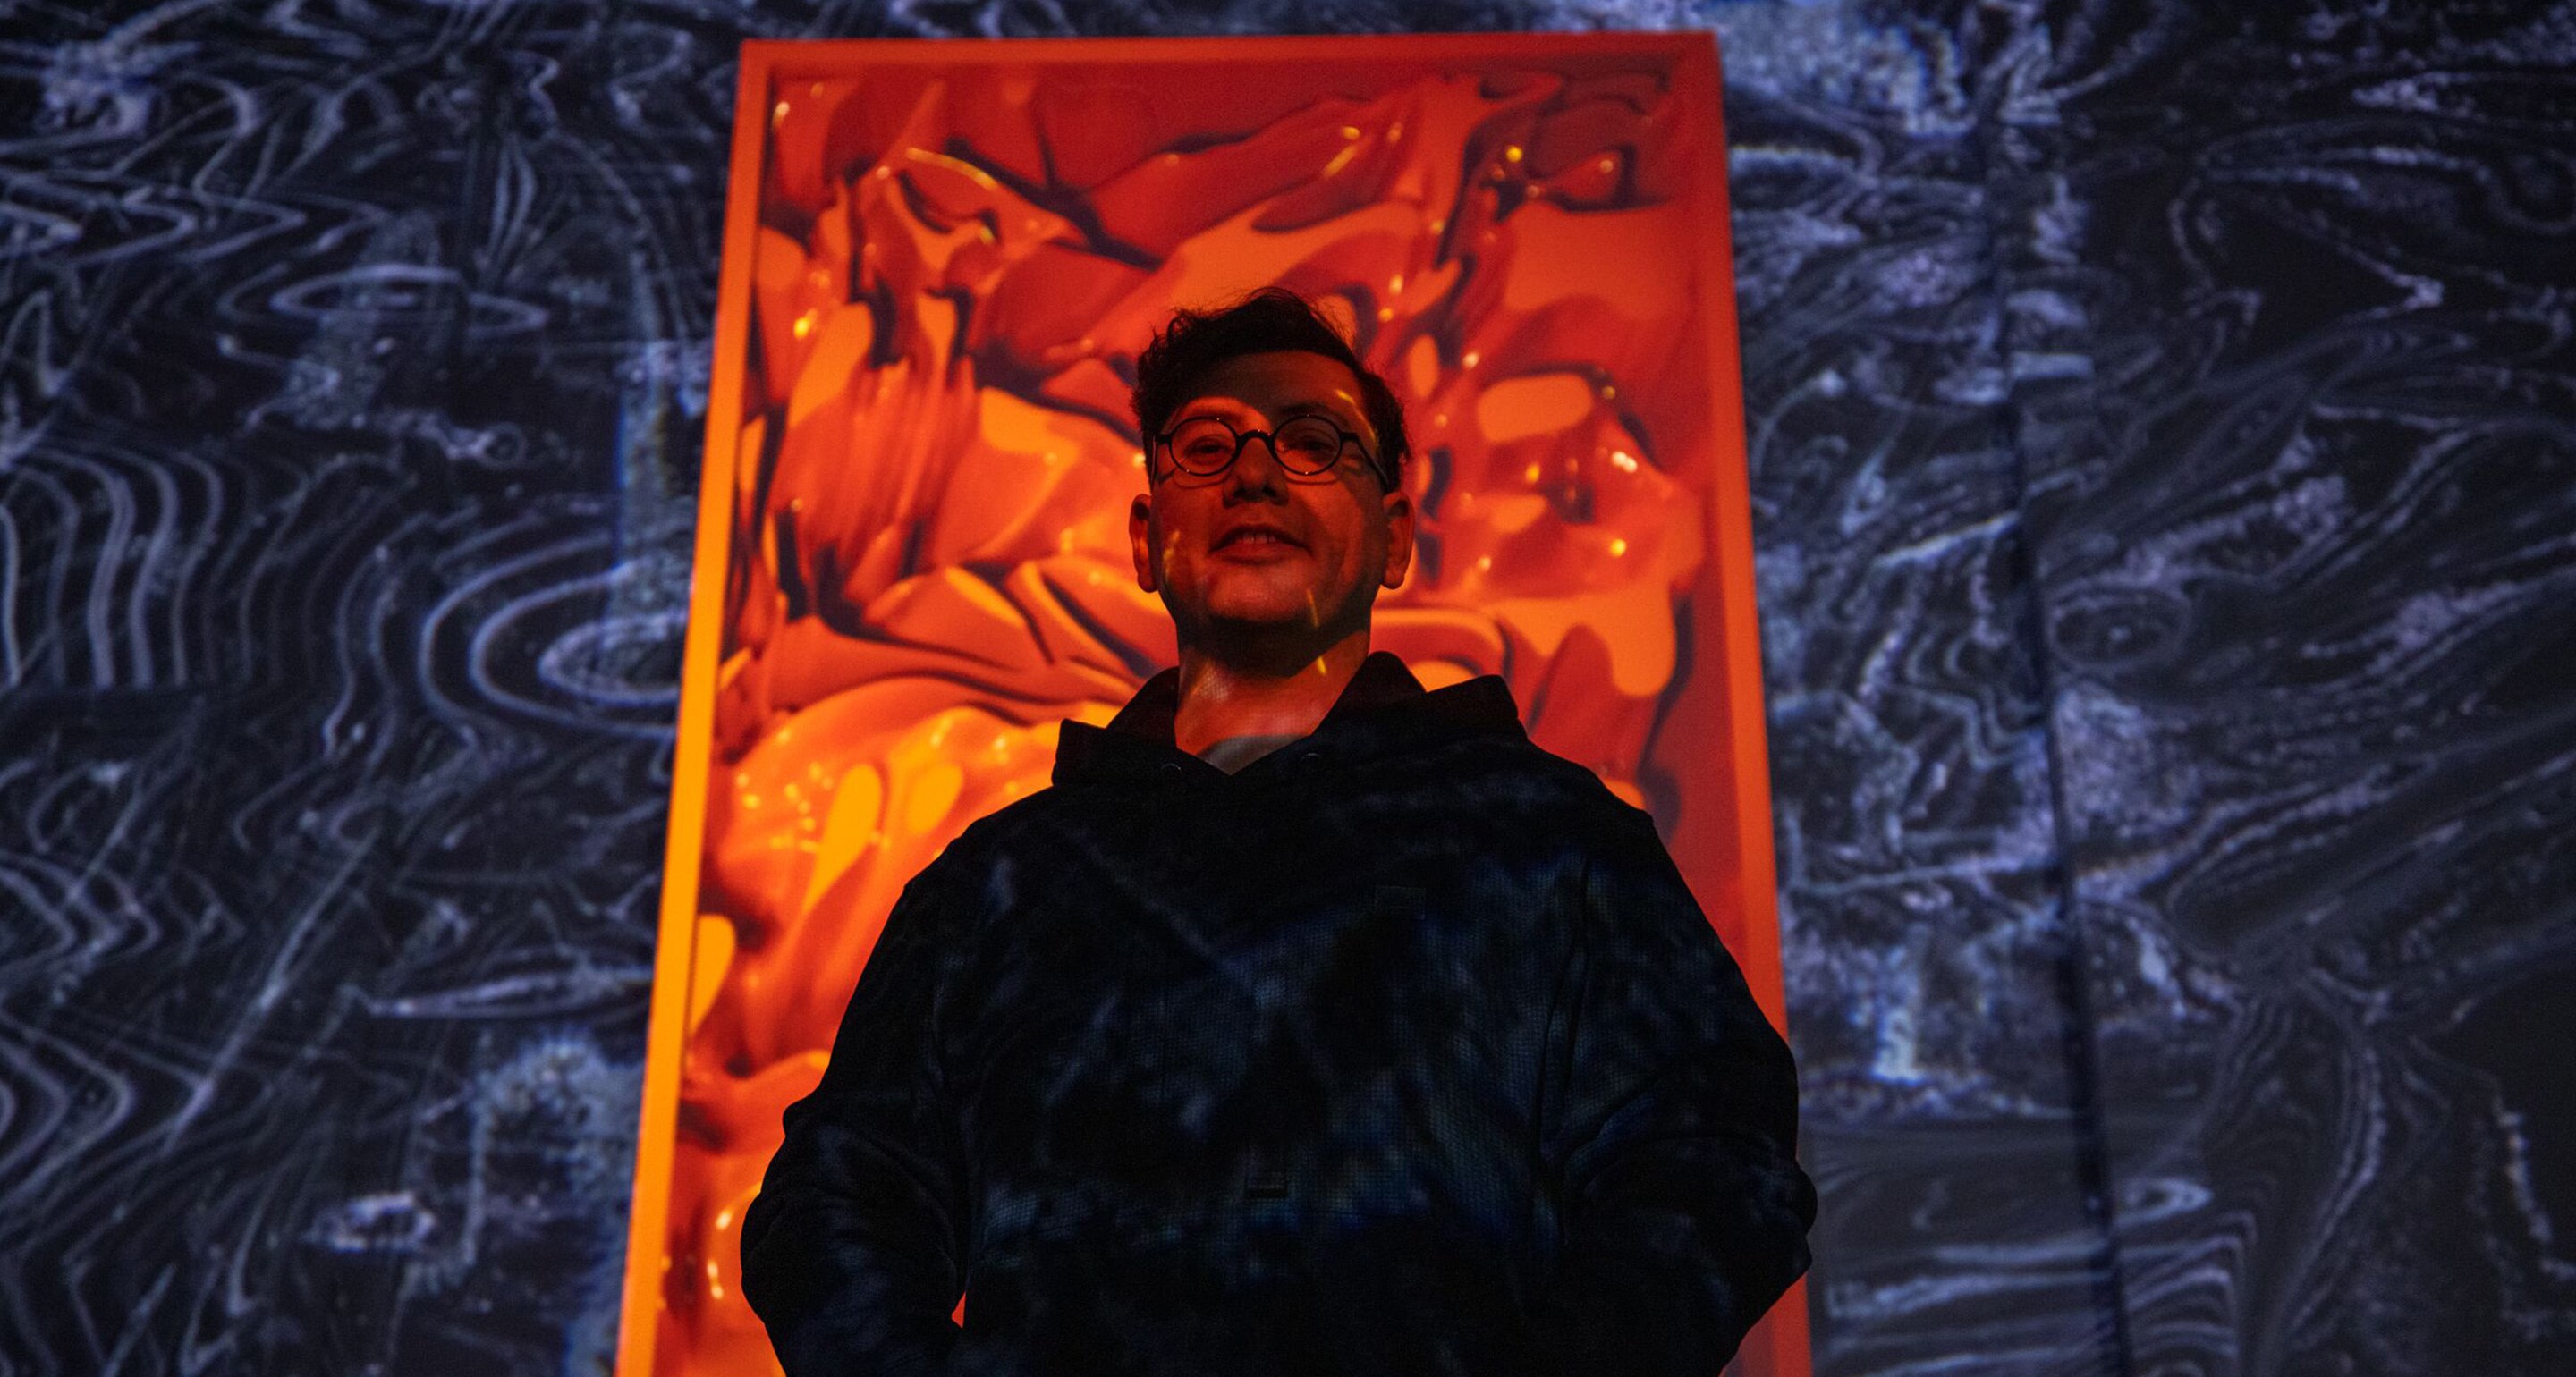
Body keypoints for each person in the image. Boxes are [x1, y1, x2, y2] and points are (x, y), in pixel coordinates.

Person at [740, 288, 1814, 1376]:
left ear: (1395, 537)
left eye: (1312, 442)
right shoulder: (995, 888)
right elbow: (835, 1203)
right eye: (1208, 445)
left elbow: (1715, 1157)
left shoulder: (1559, 849)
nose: (1255, 473)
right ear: (1147, 539)